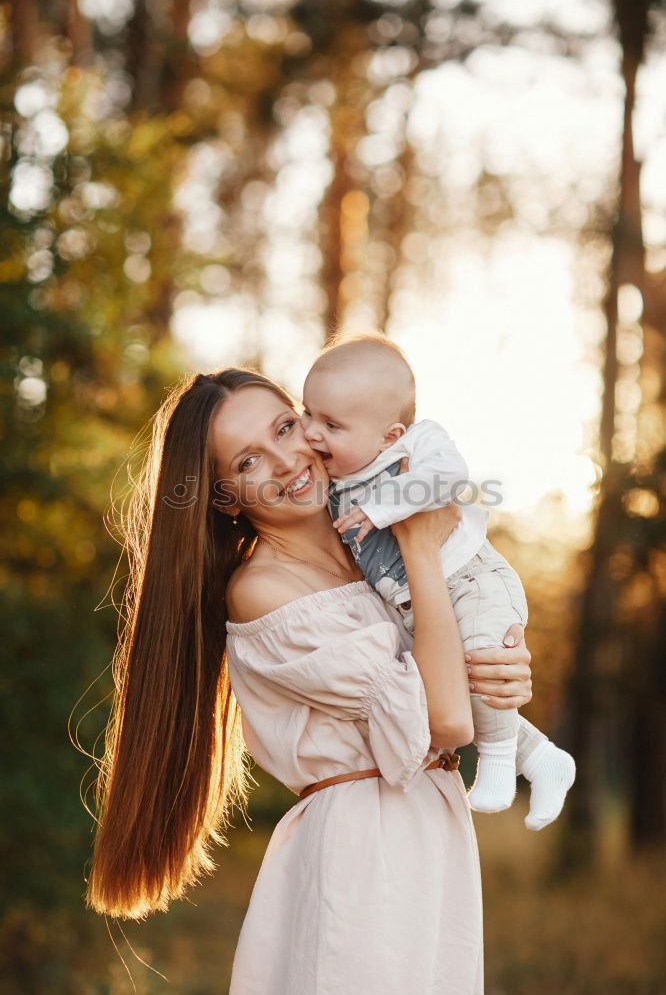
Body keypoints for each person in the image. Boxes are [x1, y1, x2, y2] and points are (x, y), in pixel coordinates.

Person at [85, 369, 533, 995]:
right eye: (248, 460)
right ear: (224, 498)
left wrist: (501, 670)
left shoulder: (370, 547)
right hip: (363, 849)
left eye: (286, 427)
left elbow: (454, 674)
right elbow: (447, 722)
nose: (287, 460)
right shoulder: (264, 592)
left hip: (430, 838)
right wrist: (423, 550)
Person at [301, 334, 575, 828]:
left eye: (331, 424)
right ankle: (542, 760)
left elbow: (450, 475)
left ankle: (495, 764)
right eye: (307, 414)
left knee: (484, 662)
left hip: (473, 580)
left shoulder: (419, 442)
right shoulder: (333, 477)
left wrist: (381, 508)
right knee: (464, 683)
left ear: (390, 435)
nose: (312, 433)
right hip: (421, 602)